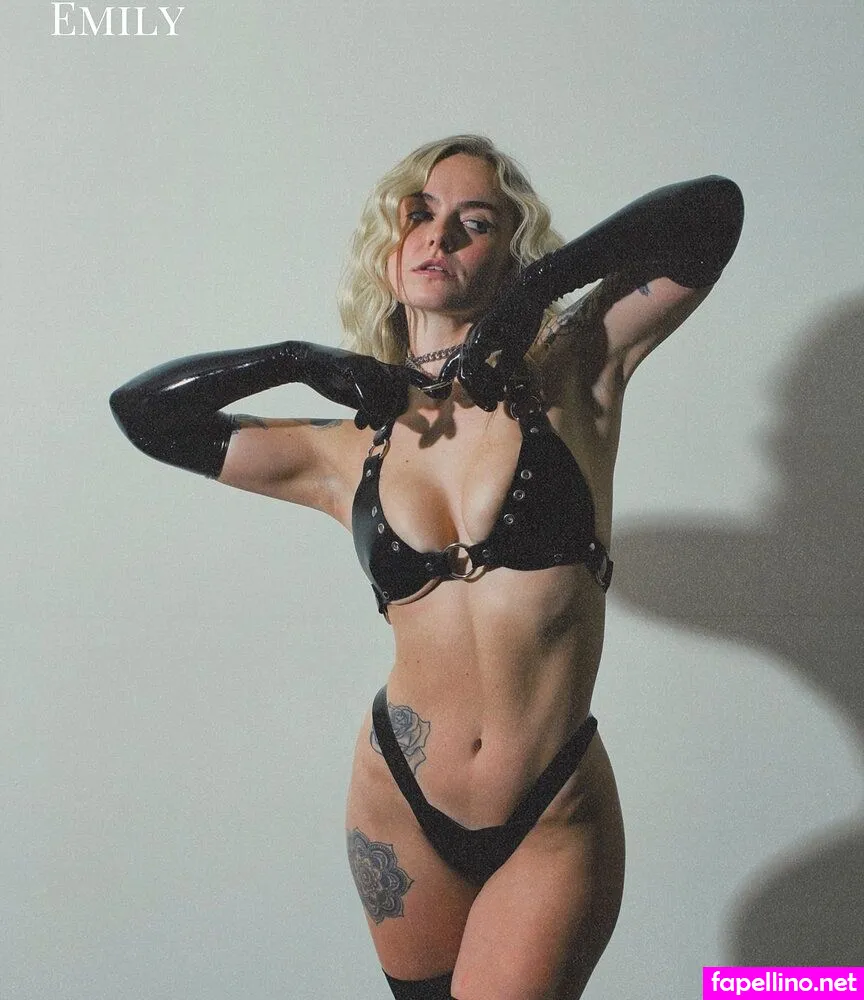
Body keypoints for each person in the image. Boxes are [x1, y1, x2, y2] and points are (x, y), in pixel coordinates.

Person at [110, 135, 744, 999]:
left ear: (511, 252)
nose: (438, 236)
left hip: (548, 808)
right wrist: (298, 360)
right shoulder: (343, 449)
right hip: (397, 799)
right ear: (390, 246)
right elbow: (143, 413)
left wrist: (536, 296)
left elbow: (712, 211)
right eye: (419, 215)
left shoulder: (578, 368)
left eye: (474, 223)